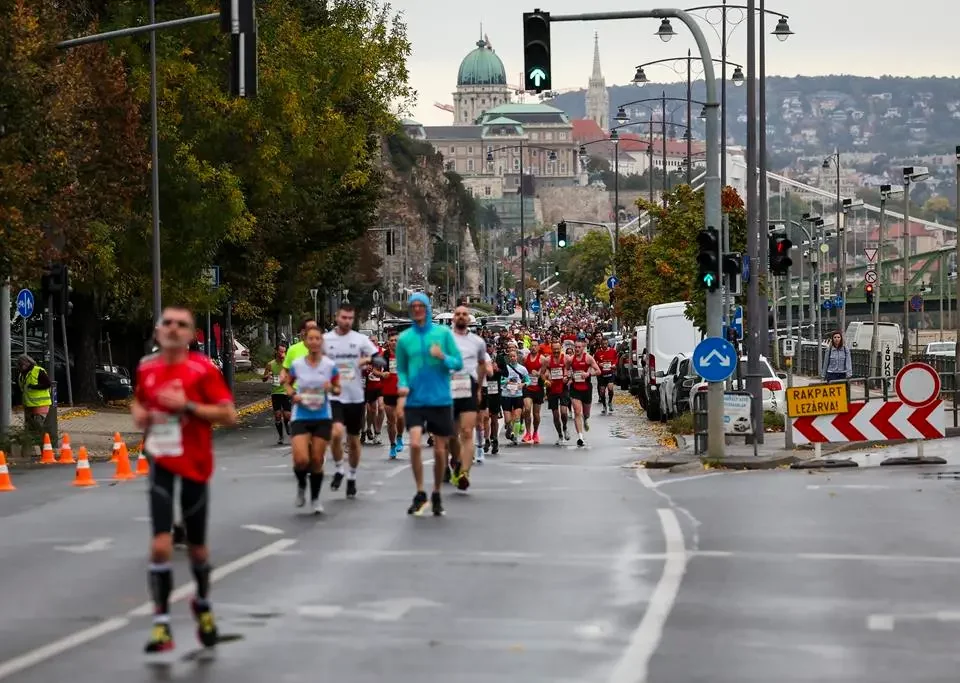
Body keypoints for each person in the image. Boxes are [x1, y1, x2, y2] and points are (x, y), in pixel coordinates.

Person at [132, 305, 237, 653]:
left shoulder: (203, 369)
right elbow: (139, 402)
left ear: (192, 334)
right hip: (161, 461)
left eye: (182, 325)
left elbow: (228, 414)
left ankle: (202, 604)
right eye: (168, 323)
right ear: (158, 331)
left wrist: (188, 407)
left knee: (197, 548)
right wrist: (141, 415)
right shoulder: (146, 368)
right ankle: (161, 624)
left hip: (195, 463)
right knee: (160, 545)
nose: (174, 329)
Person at [395, 293, 463, 516]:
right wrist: (403, 385)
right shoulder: (404, 339)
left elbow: (458, 363)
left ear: (427, 308)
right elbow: (402, 369)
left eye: (420, 306)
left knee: (440, 448)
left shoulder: (442, 334)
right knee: (414, 444)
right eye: (413, 306)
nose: (417, 310)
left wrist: (442, 356)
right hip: (415, 399)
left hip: (440, 399)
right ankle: (419, 491)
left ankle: (435, 492)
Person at [323, 304, 381, 499]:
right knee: (336, 433)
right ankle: (339, 468)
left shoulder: (360, 340)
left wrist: (368, 361)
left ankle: (352, 477)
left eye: (350, 318)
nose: (347, 321)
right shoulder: (326, 340)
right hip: (334, 396)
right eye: (343, 317)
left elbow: (377, 358)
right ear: (337, 317)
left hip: (355, 396)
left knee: (354, 441)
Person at [284, 327, 340, 514]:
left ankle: (315, 498)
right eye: (311, 338)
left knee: (316, 460)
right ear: (306, 342)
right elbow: (287, 383)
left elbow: (338, 389)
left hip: (322, 416)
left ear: (321, 342)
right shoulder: (298, 364)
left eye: (318, 338)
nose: (315, 342)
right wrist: (293, 394)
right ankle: (301, 485)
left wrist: (330, 388)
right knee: (300, 460)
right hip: (301, 415)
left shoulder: (329, 365)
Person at [448, 305, 489, 491]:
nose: (461, 317)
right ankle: (456, 461)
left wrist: (479, 387)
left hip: (468, 386)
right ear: (453, 319)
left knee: (466, 431)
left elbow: (482, 365)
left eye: (465, 314)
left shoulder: (478, 342)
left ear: (469, 319)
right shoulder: (444, 339)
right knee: (451, 434)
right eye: (458, 314)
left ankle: (464, 472)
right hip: (448, 387)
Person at [567, 337, 600, 448]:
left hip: (586, 389)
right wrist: (569, 377)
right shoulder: (571, 359)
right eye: (575, 347)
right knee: (577, 412)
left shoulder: (588, 358)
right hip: (575, 388)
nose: (577, 349)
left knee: (586, 414)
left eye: (579, 347)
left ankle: (585, 420)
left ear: (583, 348)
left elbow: (598, 371)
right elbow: (567, 371)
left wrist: (588, 374)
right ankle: (580, 437)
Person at [380, 330, 405, 459]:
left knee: (400, 417)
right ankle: (392, 445)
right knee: (390, 421)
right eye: (391, 340)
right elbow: (374, 370)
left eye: (396, 340)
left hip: (401, 391)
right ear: (388, 342)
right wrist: (381, 374)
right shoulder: (383, 356)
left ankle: (400, 436)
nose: (394, 343)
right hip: (388, 391)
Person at [499, 345, 529, 445]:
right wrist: (506, 382)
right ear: (508, 358)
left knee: (517, 417)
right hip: (506, 395)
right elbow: (500, 380)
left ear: (517, 357)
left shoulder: (522, 369)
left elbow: (528, 381)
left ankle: (515, 437)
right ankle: (510, 430)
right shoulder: (504, 369)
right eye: (511, 356)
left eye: (514, 356)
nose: (512, 358)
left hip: (518, 395)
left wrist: (523, 384)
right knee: (508, 421)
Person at [543, 341, 571, 444]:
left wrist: (567, 377)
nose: (556, 351)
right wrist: (546, 381)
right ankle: (559, 435)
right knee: (555, 415)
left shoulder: (566, 358)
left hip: (563, 388)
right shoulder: (547, 360)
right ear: (551, 349)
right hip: (552, 389)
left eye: (557, 349)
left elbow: (572, 370)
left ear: (561, 349)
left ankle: (565, 428)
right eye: (554, 349)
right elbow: (541, 373)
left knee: (563, 412)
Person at [263, 344, 291, 445]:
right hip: (276, 393)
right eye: (280, 352)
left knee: (287, 415)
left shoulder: (288, 364)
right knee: (278, 415)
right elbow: (264, 379)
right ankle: (280, 436)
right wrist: (267, 376)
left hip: (286, 392)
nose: (282, 354)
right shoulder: (270, 364)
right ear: (276, 352)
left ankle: (287, 424)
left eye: (284, 352)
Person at [16, 354, 51, 434]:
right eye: (19, 365)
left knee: (38, 426)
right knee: (29, 427)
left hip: (40, 404)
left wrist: (34, 387)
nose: (20, 367)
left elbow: (47, 384)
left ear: (27, 363)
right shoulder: (22, 375)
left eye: (21, 364)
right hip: (28, 405)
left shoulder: (38, 370)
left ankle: (44, 443)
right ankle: (31, 444)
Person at [522, 342, 546, 443]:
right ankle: (528, 433)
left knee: (536, 414)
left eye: (535, 346)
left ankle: (535, 432)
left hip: (538, 389)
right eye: (532, 346)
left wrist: (539, 374)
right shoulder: (525, 358)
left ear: (538, 347)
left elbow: (545, 374)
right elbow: (522, 371)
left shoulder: (542, 359)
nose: (533, 347)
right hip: (528, 388)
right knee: (527, 409)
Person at [595, 338, 619, 415]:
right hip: (601, 374)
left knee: (610, 387)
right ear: (601, 344)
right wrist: (599, 364)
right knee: (602, 391)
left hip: (610, 373)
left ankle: (610, 402)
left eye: (606, 343)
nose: (605, 345)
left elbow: (616, 359)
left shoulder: (613, 351)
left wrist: (614, 365)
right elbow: (594, 361)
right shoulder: (598, 353)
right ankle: (604, 406)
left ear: (607, 343)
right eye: (603, 344)